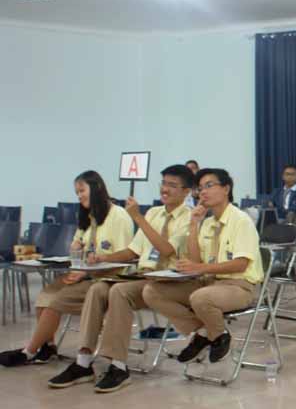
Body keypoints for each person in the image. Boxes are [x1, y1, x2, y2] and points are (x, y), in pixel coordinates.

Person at [46, 165, 194, 392]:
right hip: (142, 275)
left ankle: (118, 365)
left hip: (166, 281)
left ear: (186, 191)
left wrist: (138, 217)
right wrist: (105, 258)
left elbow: (165, 250)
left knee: (118, 291)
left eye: (172, 185)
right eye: (163, 183)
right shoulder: (154, 213)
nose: (165, 189)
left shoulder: (189, 217)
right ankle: (84, 361)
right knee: (97, 289)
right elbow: (132, 252)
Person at [0, 171, 134, 367]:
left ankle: (28, 351)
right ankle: (49, 346)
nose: (79, 196)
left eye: (82, 191)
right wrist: (76, 252)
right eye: (76, 193)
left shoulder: (118, 216)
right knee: (45, 296)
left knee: (56, 301)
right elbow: (76, 247)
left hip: (107, 279)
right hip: (85, 275)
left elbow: (125, 256)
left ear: (96, 189)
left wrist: (88, 270)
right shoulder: (88, 216)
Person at [142, 168, 264, 365]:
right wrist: (193, 225)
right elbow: (196, 259)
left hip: (238, 286)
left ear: (226, 188)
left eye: (209, 186)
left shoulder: (241, 220)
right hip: (208, 283)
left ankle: (218, 335)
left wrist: (200, 268)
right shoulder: (207, 223)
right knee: (151, 292)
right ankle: (205, 332)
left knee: (200, 298)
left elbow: (241, 264)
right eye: (200, 188)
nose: (203, 192)